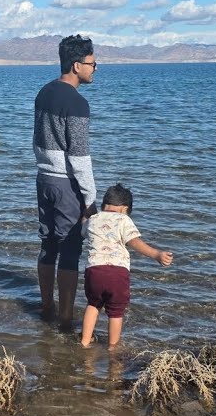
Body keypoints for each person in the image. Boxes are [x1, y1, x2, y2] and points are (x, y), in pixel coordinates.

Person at [34, 34, 98, 330]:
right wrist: (90, 200)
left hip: (43, 178)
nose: (95, 69)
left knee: (48, 245)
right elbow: (80, 158)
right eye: (92, 63)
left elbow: (37, 140)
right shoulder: (77, 103)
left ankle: (46, 307)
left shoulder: (43, 93)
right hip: (65, 184)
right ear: (76, 65)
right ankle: (65, 317)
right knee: (70, 249)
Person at [80, 183, 173, 348]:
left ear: (103, 205)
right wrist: (156, 255)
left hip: (93, 272)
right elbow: (135, 242)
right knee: (115, 312)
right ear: (124, 209)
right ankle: (112, 347)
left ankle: (85, 341)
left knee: (93, 304)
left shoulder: (93, 219)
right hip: (117, 274)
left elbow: (81, 230)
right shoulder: (124, 219)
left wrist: (86, 214)